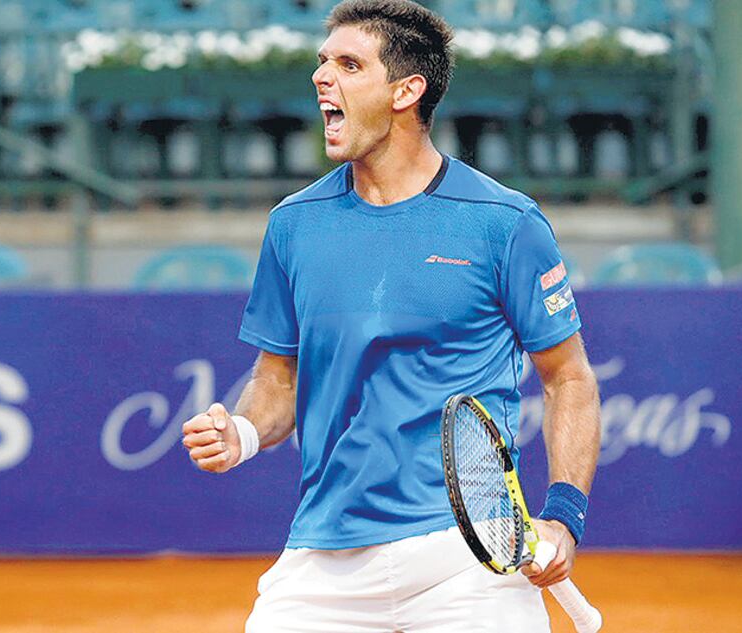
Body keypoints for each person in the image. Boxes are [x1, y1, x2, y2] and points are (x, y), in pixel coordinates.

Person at [182, 1, 601, 630]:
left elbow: (568, 378)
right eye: (322, 63)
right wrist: (239, 435)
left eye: (349, 64)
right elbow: (279, 379)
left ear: (408, 91)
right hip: (324, 555)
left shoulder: (505, 224)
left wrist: (564, 515)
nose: (322, 77)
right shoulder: (293, 225)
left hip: (468, 559)